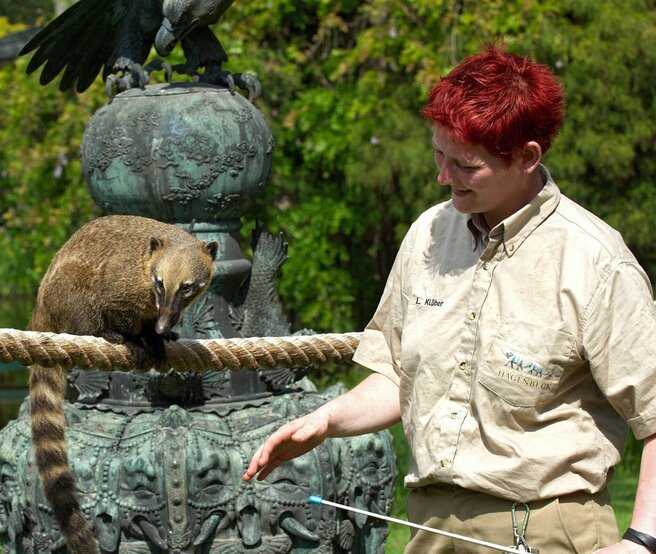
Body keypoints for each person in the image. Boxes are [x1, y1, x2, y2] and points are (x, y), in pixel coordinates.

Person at [243, 44, 656, 554]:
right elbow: (399, 376)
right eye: (439, 154)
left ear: (527, 156)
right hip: (429, 529)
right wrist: (326, 421)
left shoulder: (595, 261)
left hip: (544, 533)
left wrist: (641, 541)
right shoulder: (428, 234)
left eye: (465, 164)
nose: (443, 176)